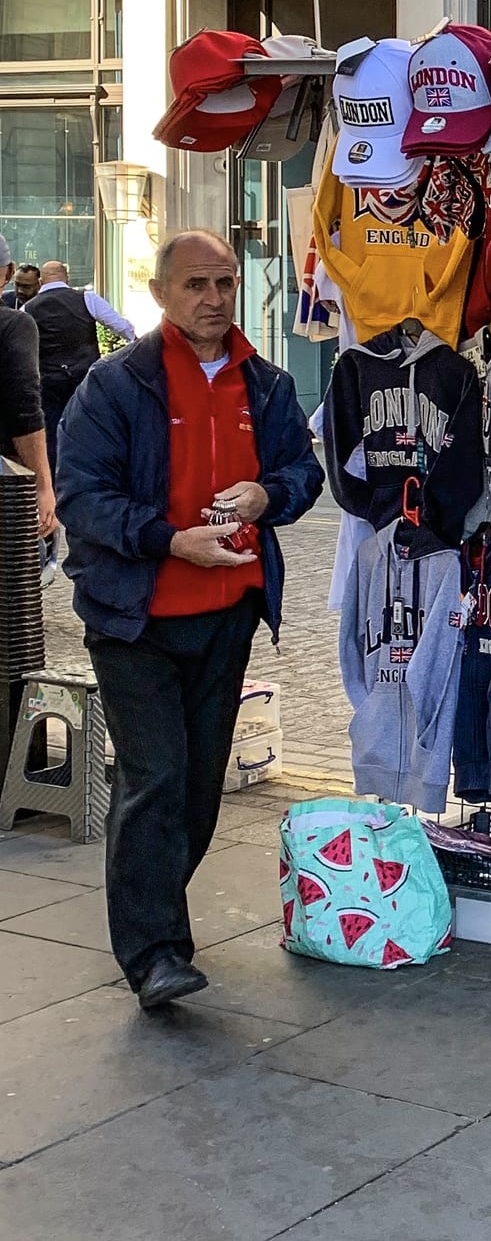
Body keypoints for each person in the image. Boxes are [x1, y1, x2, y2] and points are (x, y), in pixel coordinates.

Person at [57, 230, 323, 1010]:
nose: (213, 299)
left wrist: (268, 495)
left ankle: (148, 906)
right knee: (156, 776)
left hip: (226, 613)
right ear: (162, 293)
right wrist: (170, 540)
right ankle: (154, 951)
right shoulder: (116, 385)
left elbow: (302, 472)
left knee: (201, 785)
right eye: (197, 285)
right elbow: (82, 497)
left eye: (225, 283)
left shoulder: (267, 385)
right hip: (134, 618)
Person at [26, 258, 136, 486]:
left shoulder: (29, 307)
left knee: (53, 432)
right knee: (90, 427)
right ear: (66, 277)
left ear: (40, 281)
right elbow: (121, 326)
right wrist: (136, 347)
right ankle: (90, 481)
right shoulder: (86, 298)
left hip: (48, 380)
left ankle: (56, 484)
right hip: (84, 376)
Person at [0, 235, 57, 540]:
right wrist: (43, 487)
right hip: (6, 484)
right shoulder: (12, 325)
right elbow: (23, 410)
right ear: (8, 273)